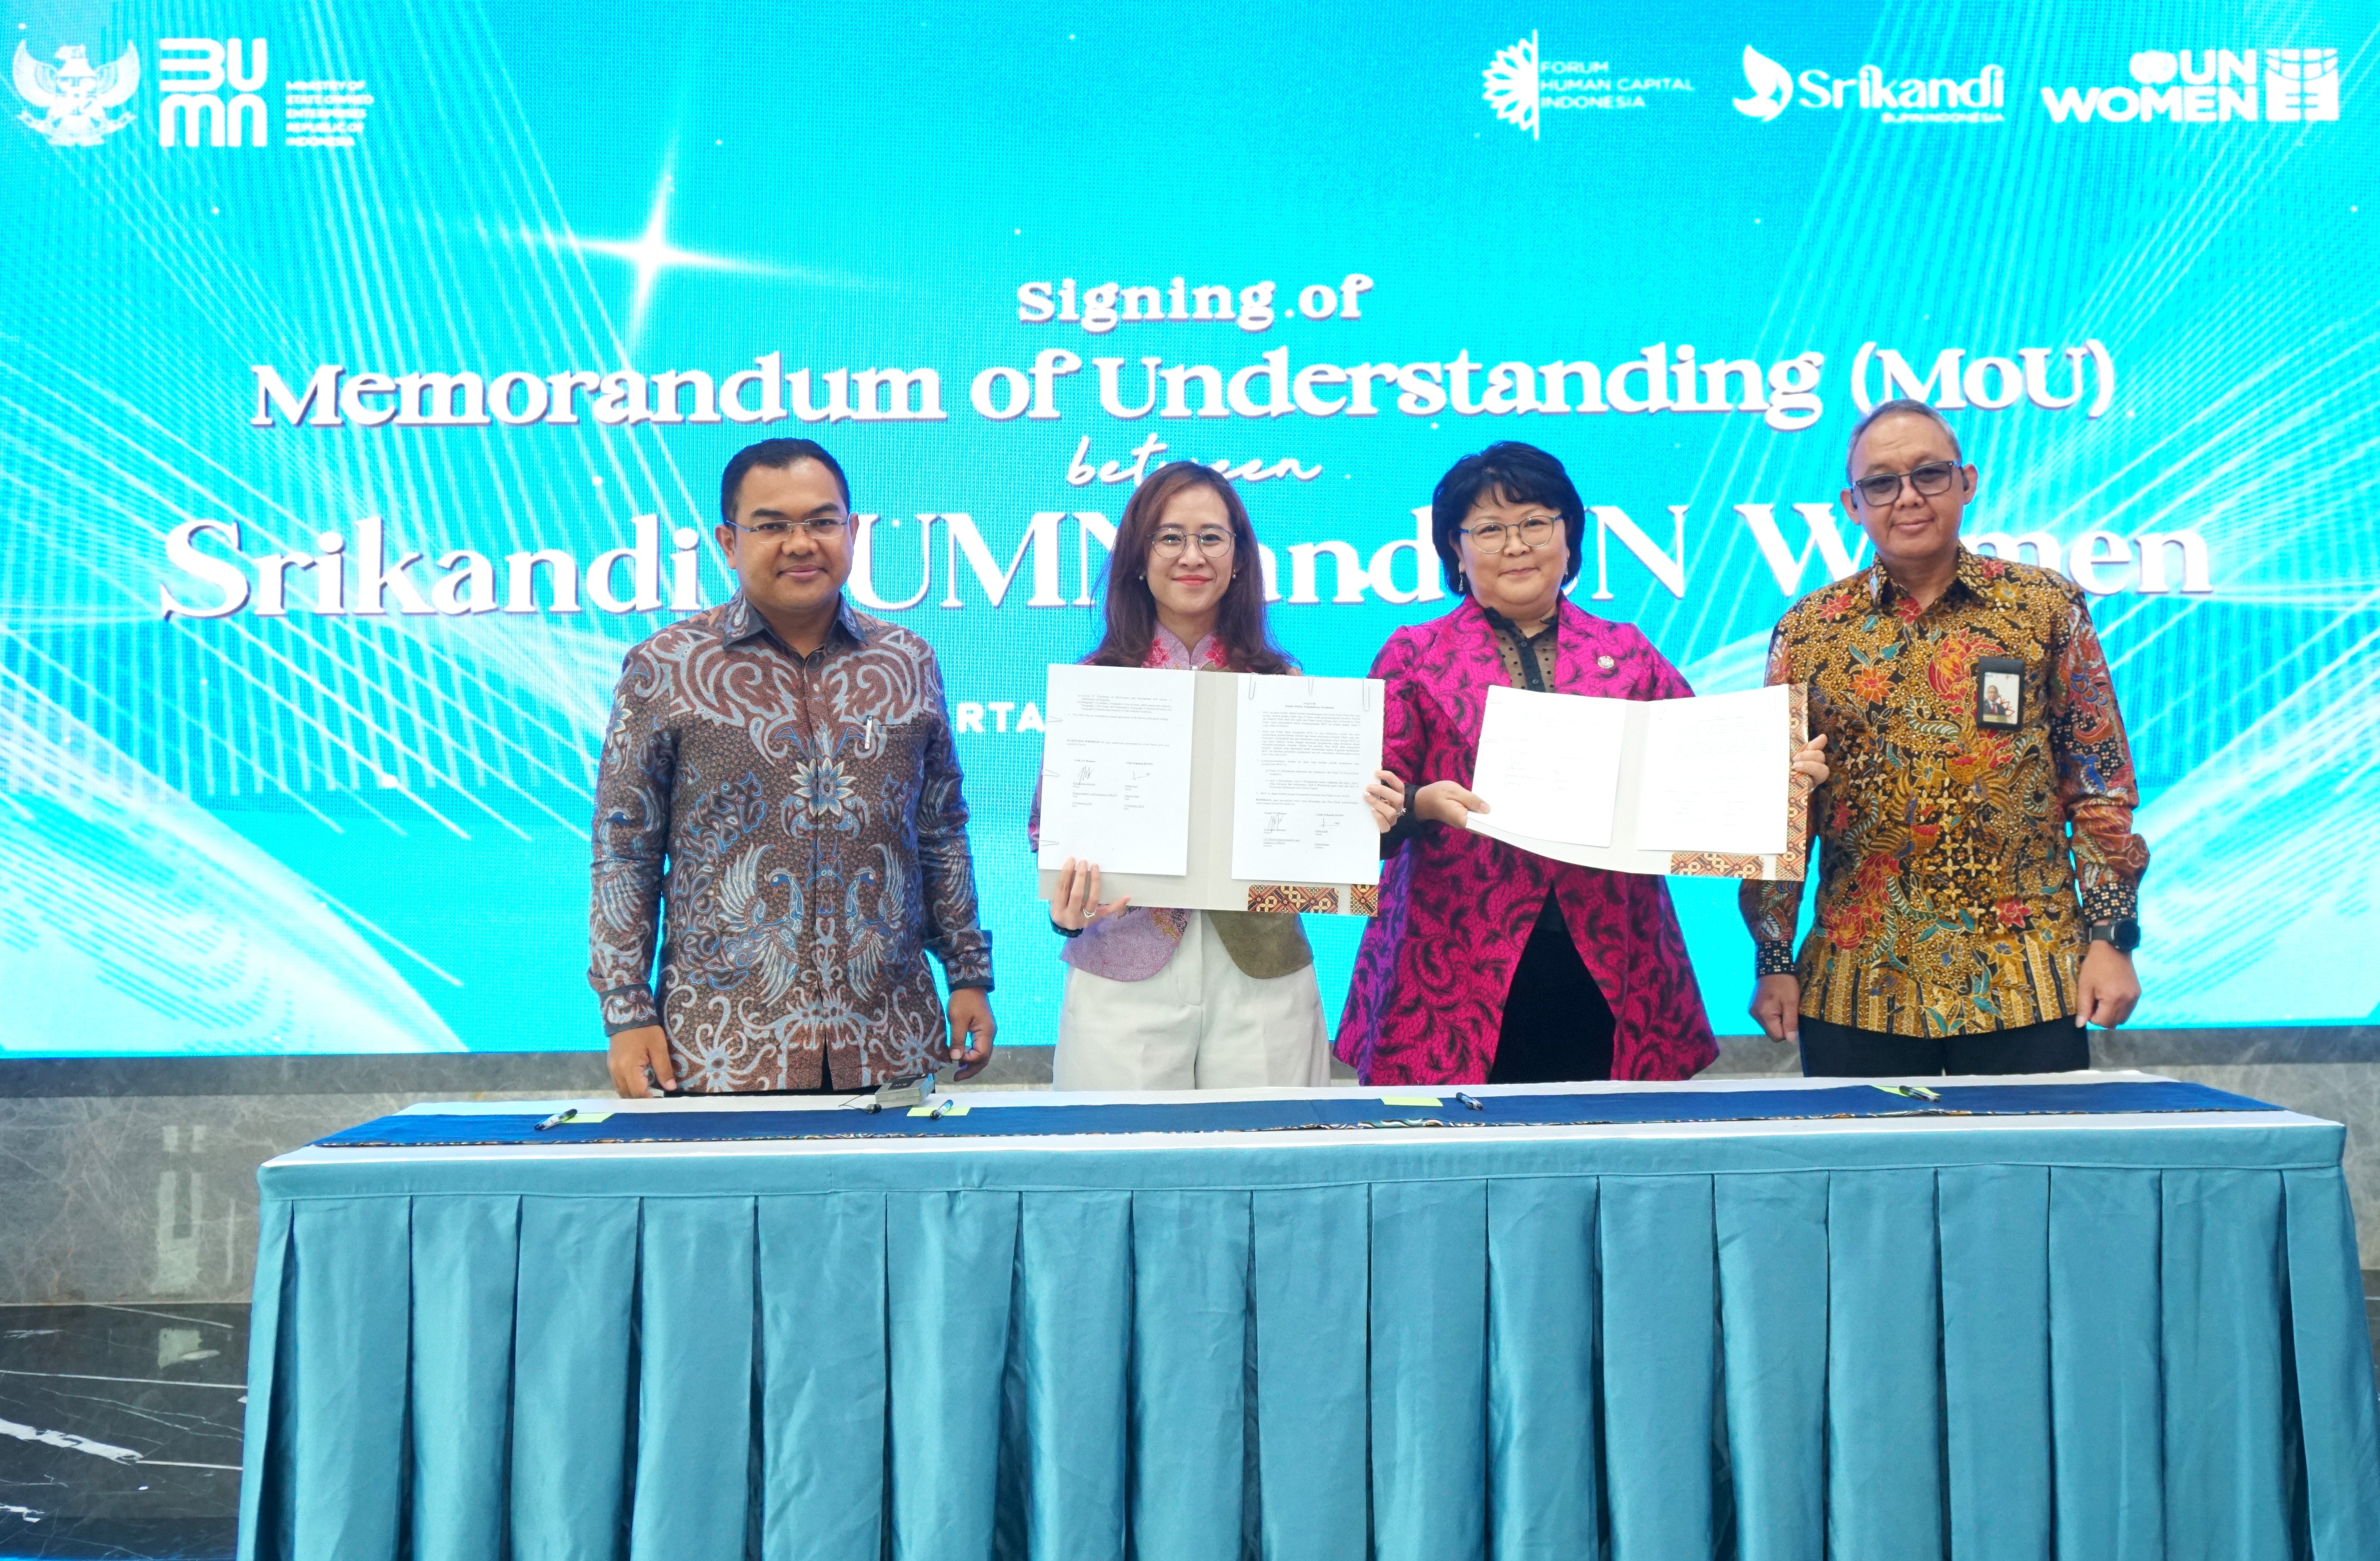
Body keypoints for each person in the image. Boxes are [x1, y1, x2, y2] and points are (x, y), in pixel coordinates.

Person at [1337, 441, 1831, 1086]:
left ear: (1569, 535)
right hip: (1454, 962)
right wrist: (1422, 803)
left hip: (1613, 957)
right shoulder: (1413, 655)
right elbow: (1362, 815)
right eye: (1488, 529)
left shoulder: (1626, 653)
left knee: (1615, 1158)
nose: (1515, 545)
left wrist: (1779, 777)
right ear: (1454, 550)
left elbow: (1702, 778)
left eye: (1535, 522)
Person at [1743, 399, 2149, 1076]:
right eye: (1881, 483)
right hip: (1858, 983)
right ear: (1852, 504)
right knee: (1866, 1183)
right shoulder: (1810, 631)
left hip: (2026, 975)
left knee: (2023, 1181)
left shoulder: (2045, 607)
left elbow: (2098, 780)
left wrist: (2112, 939)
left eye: (1928, 474)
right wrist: (1773, 960)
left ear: (1966, 482)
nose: (1907, 497)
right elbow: (1781, 811)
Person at [588, 437, 995, 1096]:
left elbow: (941, 832)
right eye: (772, 526)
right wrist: (626, 1011)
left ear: (853, 530)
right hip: (722, 1050)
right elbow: (624, 849)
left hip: (888, 1038)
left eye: (821, 522)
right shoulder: (666, 666)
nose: (801, 543)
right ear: (727, 540)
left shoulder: (908, 662)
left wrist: (969, 974)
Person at [1036, 462, 1403, 1089]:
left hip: (1263, 967)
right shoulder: (1095, 688)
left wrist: (1374, 823)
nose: (1191, 556)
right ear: (1137, 557)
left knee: (1272, 1172)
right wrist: (1067, 910)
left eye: (1211, 537)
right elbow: (1045, 831)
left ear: (1238, 559)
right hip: (1122, 959)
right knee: (1118, 1174)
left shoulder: (1287, 690)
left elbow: (1331, 853)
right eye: (1169, 537)